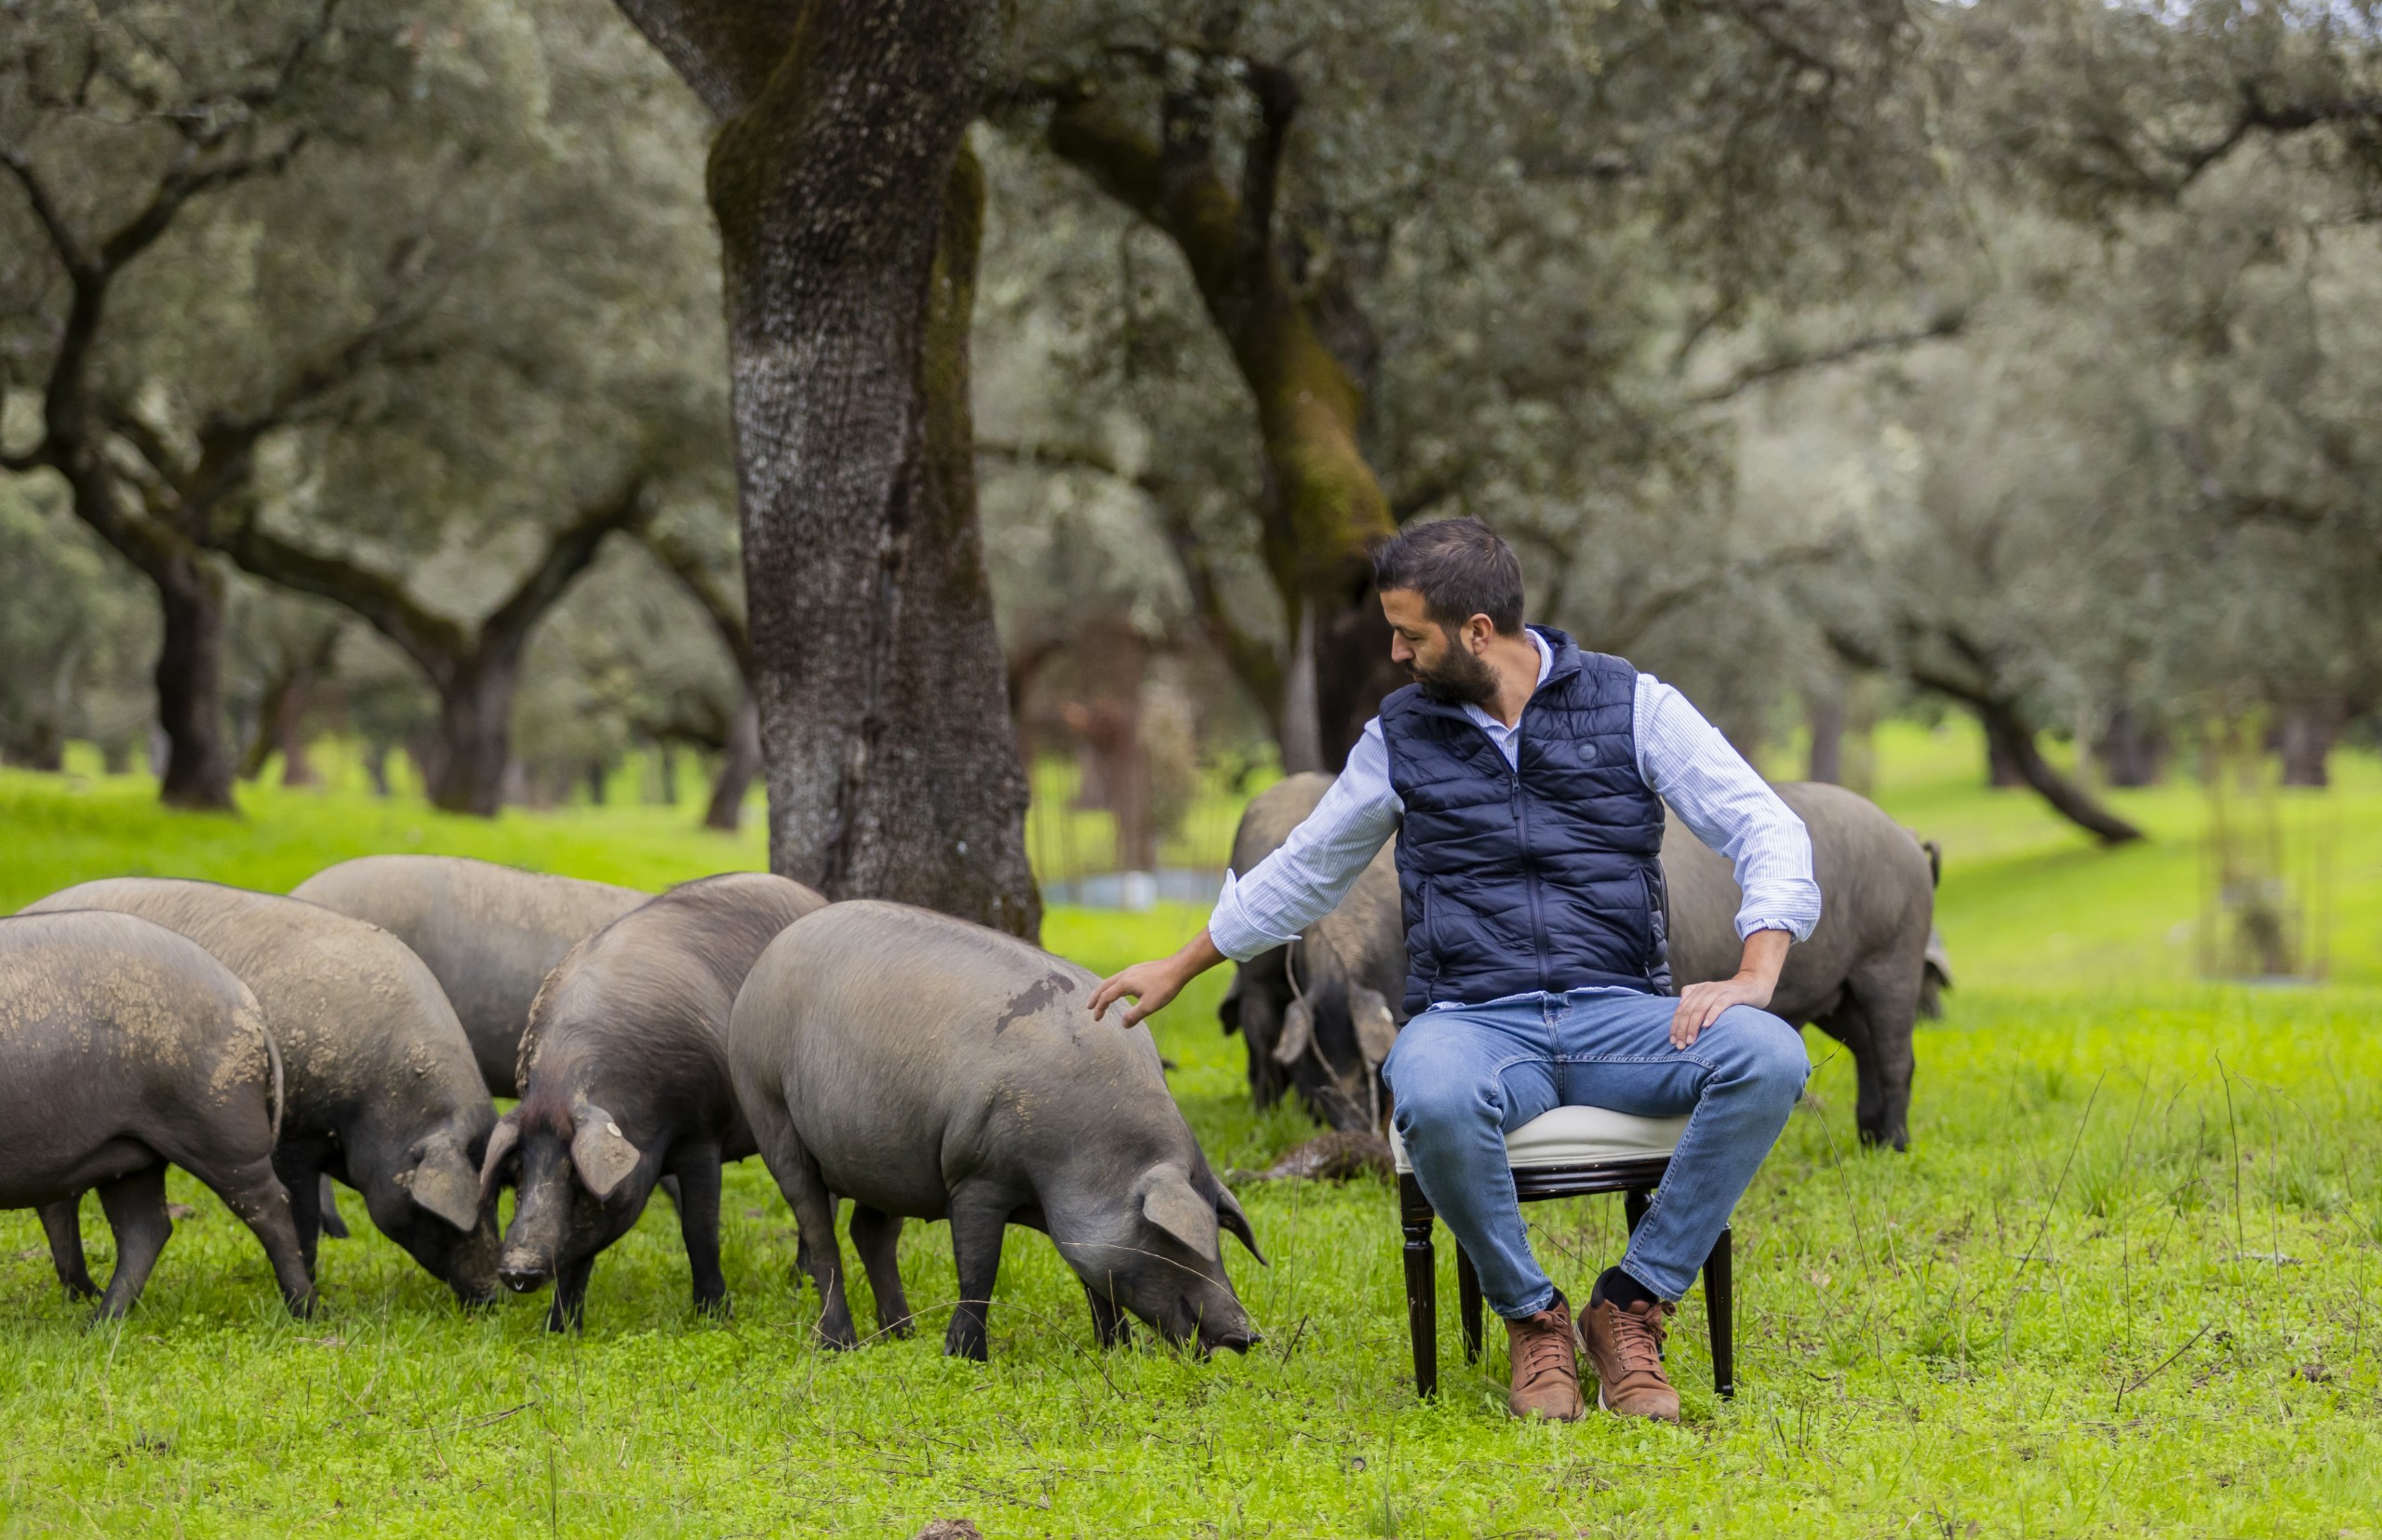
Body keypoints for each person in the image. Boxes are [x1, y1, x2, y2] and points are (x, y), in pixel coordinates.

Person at [1089, 518, 1819, 1423]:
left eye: (1411, 633)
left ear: (1478, 629)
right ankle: (1533, 1317)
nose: (1395, 651)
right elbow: (1306, 867)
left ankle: (1628, 1306)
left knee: (1770, 1056)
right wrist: (1183, 962)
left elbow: (1765, 824)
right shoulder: (1399, 736)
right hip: (1473, 1022)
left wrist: (1754, 973)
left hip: (1619, 1016)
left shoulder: (1633, 704)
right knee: (1425, 1091)